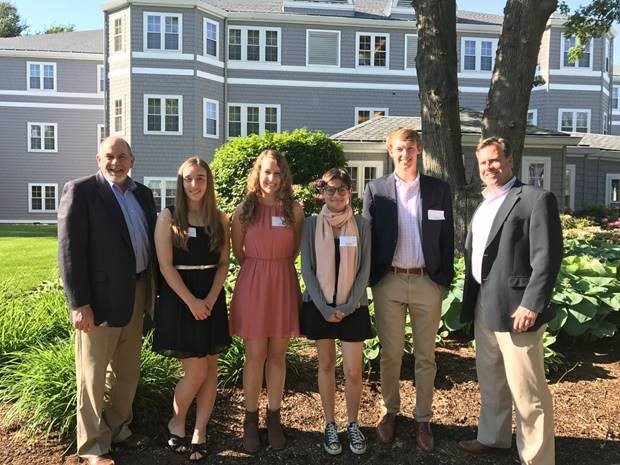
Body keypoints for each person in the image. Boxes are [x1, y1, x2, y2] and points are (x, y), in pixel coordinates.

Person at [457, 137, 562, 465]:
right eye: (483, 163)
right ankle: (493, 438)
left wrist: (532, 303)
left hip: (518, 307)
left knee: (527, 389)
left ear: (510, 160)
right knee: (491, 379)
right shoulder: (484, 204)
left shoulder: (535, 199)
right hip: (483, 303)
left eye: (494, 160)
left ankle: (536, 458)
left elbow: (547, 257)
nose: (488, 167)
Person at [58, 136, 157, 465]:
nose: (116, 162)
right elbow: (69, 251)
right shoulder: (82, 191)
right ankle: (92, 447)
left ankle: (118, 430)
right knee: (93, 375)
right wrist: (78, 303)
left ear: (132, 160)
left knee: (127, 371)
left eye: (122, 156)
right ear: (98, 159)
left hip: (137, 292)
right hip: (98, 301)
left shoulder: (144, 194)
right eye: (109, 156)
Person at [362, 127, 454, 451]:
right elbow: (367, 238)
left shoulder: (438, 190)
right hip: (390, 282)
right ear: (390, 151)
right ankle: (389, 411)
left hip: (427, 282)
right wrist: (370, 279)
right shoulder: (376, 191)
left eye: (410, 148)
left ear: (419, 150)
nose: (405, 155)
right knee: (390, 354)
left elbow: (447, 238)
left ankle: (423, 418)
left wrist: (442, 279)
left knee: (426, 356)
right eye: (399, 149)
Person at [152, 157, 231, 462]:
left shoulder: (220, 218)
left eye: (200, 178)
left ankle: (200, 430)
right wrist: (192, 302)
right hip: (181, 299)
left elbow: (223, 263)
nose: (194, 184)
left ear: (208, 182)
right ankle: (177, 420)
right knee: (196, 372)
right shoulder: (168, 217)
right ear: (180, 182)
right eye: (188, 179)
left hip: (211, 297)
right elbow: (165, 266)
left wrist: (209, 298)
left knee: (210, 368)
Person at [229, 149, 305, 452]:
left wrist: (275, 264)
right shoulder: (243, 210)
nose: (271, 178)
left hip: (282, 282)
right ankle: (250, 420)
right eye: (266, 172)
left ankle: (274, 417)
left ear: (284, 177)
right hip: (253, 284)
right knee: (255, 356)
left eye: (277, 173)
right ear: (257, 174)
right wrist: (261, 267)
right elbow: (238, 252)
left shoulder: (294, 210)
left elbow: (295, 249)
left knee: (277, 356)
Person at [300, 168, 373, 456]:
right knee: (327, 365)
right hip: (320, 307)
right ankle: (330, 423)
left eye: (342, 189)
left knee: (353, 371)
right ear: (322, 193)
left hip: (353, 307)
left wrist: (348, 305)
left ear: (350, 192)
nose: (336, 195)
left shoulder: (362, 225)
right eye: (330, 189)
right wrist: (323, 307)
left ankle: (353, 423)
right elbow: (307, 268)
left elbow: (365, 269)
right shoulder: (311, 224)